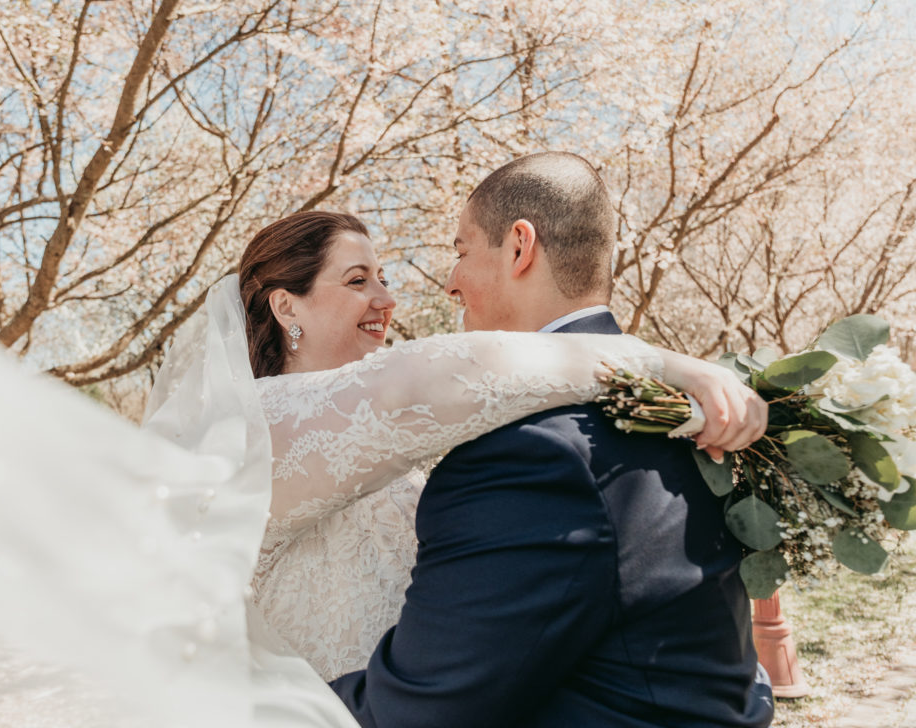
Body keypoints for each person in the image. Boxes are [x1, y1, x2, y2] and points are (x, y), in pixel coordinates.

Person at [140, 210, 764, 683]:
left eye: (383, 278)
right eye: (357, 280)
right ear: (285, 304)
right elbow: (430, 377)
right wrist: (648, 360)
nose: (386, 300)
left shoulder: (372, 442)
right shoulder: (259, 426)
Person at [329, 153, 776, 727]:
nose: (449, 281)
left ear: (519, 247)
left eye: (461, 251)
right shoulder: (680, 411)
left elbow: (420, 711)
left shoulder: (532, 453)